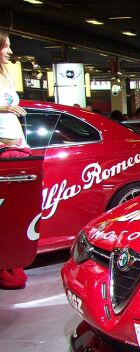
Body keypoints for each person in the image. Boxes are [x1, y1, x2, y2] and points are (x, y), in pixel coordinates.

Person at [0, 31, 29, 289]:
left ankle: (12, 261)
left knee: (17, 211)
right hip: (2, 152)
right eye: (5, 46)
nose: (10, 51)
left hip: (18, 149)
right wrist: (4, 108)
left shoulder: (7, 74)